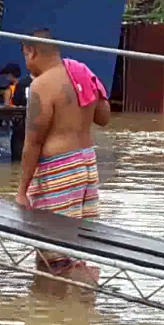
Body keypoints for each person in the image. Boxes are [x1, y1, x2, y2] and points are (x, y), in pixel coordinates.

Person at [16, 28, 111, 274]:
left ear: (32, 51)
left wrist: (22, 190)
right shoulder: (82, 73)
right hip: (86, 165)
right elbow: (104, 117)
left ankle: (50, 307)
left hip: (58, 171)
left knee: (52, 254)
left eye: (26, 56)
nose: (26, 64)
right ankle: (80, 306)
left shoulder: (41, 85)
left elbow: (33, 142)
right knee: (81, 247)